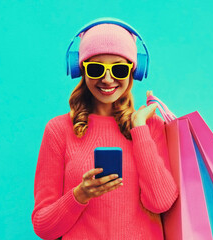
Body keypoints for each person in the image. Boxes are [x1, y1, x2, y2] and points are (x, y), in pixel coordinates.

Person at [31, 19, 178, 239]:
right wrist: (80, 195)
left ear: (134, 71)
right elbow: (44, 228)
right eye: (96, 68)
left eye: (118, 69)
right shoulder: (58, 130)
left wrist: (139, 129)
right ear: (80, 69)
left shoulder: (150, 127)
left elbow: (161, 202)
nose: (107, 79)